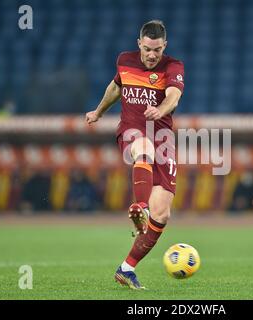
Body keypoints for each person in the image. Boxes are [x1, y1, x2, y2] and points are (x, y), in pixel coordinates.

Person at [86, 20, 184, 289]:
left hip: (163, 140)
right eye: (148, 49)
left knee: (162, 214)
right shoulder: (125, 60)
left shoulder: (173, 66)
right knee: (143, 148)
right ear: (139, 43)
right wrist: (98, 112)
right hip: (132, 132)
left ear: (165, 46)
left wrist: (161, 110)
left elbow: (174, 96)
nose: (152, 55)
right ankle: (139, 206)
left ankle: (126, 269)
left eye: (158, 50)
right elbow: (116, 88)